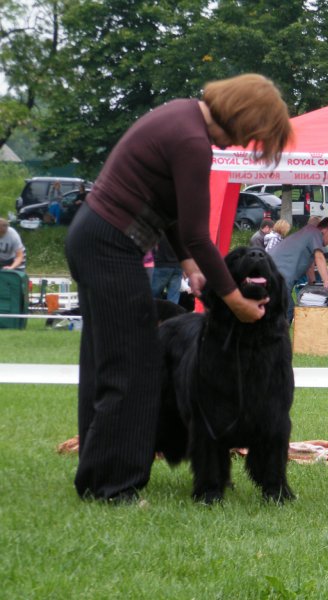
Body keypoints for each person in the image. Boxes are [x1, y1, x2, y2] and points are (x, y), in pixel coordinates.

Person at [64, 73, 292, 503]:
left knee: (103, 364)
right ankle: (114, 487)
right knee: (132, 367)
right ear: (243, 117)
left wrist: (188, 262)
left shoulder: (179, 116)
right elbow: (199, 234)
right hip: (112, 246)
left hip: (94, 238)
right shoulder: (192, 140)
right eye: (254, 133)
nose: (245, 143)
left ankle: (96, 476)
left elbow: (169, 209)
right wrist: (234, 300)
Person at [269, 217, 328, 322]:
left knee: (277, 312)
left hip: (272, 275)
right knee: (287, 310)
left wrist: (312, 283)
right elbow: (319, 257)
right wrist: (327, 281)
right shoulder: (314, 232)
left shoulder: (307, 236)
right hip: (277, 278)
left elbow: (309, 266)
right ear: (324, 231)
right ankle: (279, 333)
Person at [150, 236, 183, 304]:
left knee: (153, 296)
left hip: (162, 264)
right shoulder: (179, 231)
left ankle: (153, 310)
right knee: (173, 297)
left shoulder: (163, 231)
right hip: (178, 265)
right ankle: (173, 311)